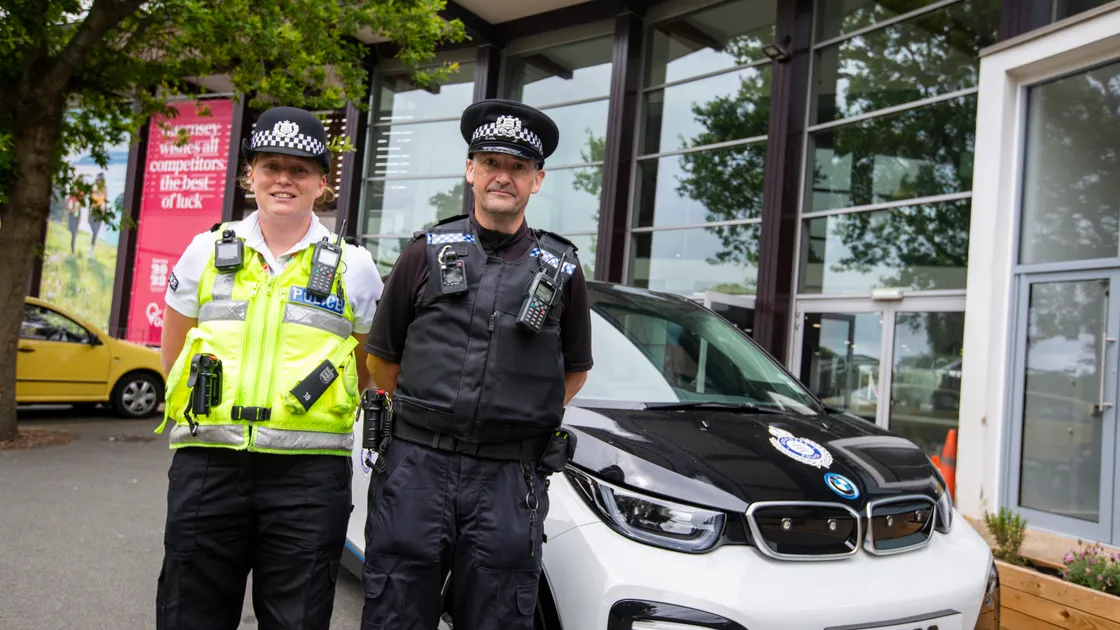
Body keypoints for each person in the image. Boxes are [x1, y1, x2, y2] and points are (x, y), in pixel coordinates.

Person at [359, 98, 593, 630]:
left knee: (496, 617)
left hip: (509, 480)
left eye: (517, 167)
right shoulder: (424, 251)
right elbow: (382, 357)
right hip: (417, 468)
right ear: (470, 171)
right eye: (491, 163)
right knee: (395, 611)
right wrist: (432, 414)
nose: (502, 177)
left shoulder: (562, 269)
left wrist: (514, 413)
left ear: (537, 179)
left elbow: (574, 369)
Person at [154, 105, 384, 630]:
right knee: (190, 615)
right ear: (249, 175)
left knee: (297, 620)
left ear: (322, 183)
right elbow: (174, 353)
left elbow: (368, 364)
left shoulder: (356, 265)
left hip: (309, 478)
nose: (284, 179)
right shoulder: (204, 251)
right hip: (209, 463)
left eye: (299, 169)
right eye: (271, 166)